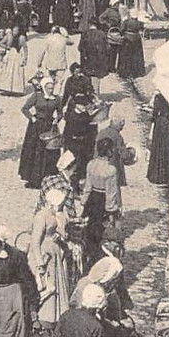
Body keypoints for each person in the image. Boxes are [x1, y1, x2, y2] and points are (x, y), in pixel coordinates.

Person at [28, 187, 72, 326]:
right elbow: (35, 242)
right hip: (45, 253)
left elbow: (63, 232)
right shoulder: (41, 216)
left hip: (56, 252)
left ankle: (58, 313)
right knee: (47, 283)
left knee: (58, 281)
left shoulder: (57, 214)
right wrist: (40, 263)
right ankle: (44, 316)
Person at [81, 138, 123, 269]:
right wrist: (112, 212)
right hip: (103, 201)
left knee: (89, 231)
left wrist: (83, 201)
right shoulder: (110, 170)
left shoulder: (91, 165)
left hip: (92, 200)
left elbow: (87, 187)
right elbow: (111, 193)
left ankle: (89, 258)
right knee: (103, 233)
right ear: (109, 151)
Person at [18, 76, 60, 189]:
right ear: (44, 87)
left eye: (52, 88)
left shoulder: (56, 99)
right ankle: (34, 179)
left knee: (49, 151)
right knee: (35, 151)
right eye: (49, 88)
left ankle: (48, 176)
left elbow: (60, 113)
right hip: (36, 127)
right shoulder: (37, 96)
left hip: (49, 126)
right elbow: (25, 108)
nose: (51, 90)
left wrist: (57, 120)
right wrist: (32, 118)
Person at [146, 91, 169, 186]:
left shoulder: (158, 97)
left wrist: (151, 118)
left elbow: (155, 113)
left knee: (158, 149)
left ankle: (157, 176)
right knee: (168, 150)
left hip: (159, 124)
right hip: (168, 125)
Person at [96, 114, 132, 188]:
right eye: (122, 126)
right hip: (112, 167)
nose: (122, 128)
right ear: (119, 125)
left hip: (98, 164)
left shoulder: (101, 132)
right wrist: (130, 153)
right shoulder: (117, 136)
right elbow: (124, 155)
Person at [79, 19, 110, 97]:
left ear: (89, 24)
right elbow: (108, 48)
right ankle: (96, 97)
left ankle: (88, 97)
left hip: (87, 61)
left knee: (87, 79)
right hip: (98, 61)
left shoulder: (85, 33)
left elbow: (80, 48)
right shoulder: (102, 34)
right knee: (96, 79)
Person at [37, 25, 73, 92]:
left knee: (50, 80)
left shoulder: (49, 39)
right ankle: (56, 95)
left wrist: (39, 62)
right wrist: (66, 34)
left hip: (50, 63)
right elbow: (71, 42)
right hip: (61, 63)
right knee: (59, 81)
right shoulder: (63, 39)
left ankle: (50, 93)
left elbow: (42, 52)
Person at [0, 24, 28, 96]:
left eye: (16, 31)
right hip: (11, 55)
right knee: (11, 72)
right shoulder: (10, 36)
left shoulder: (20, 38)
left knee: (13, 72)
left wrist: (25, 58)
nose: (15, 32)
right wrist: (6, 47)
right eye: (14, 31)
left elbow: (25, 48)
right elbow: (0, 43)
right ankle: (8, 88)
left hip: (15, 55)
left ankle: (13, 89)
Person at [117, 11, 146, 80]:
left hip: (127, 39)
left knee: (126, 56)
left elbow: (121, 30)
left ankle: (125, 73)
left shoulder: (126, 22)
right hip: (137, 39)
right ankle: (136, 73)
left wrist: (122, 33)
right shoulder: (139, 23)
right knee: (136, 56)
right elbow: (142, 28)